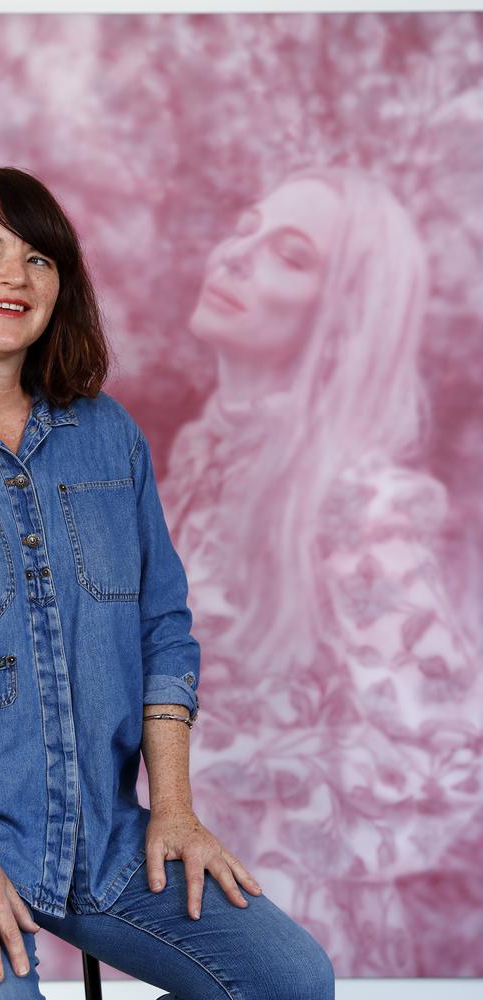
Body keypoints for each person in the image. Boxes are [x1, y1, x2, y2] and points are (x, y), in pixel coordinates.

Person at [0, 164, 334, 999]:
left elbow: (162, 631)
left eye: (39, 259)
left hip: (94, 836)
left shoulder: (111, 439)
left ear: (61, 285)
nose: (13, 277)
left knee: (291, 979)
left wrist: (172, 808)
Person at [159, 165, 482, 975]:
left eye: (290, 255)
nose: (235, 256)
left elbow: (445, 763)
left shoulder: (357, 498)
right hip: (181, 901)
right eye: (245, 229)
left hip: (293, 920)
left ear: (341, 319)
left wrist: (237, 790)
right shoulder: (202, 454)